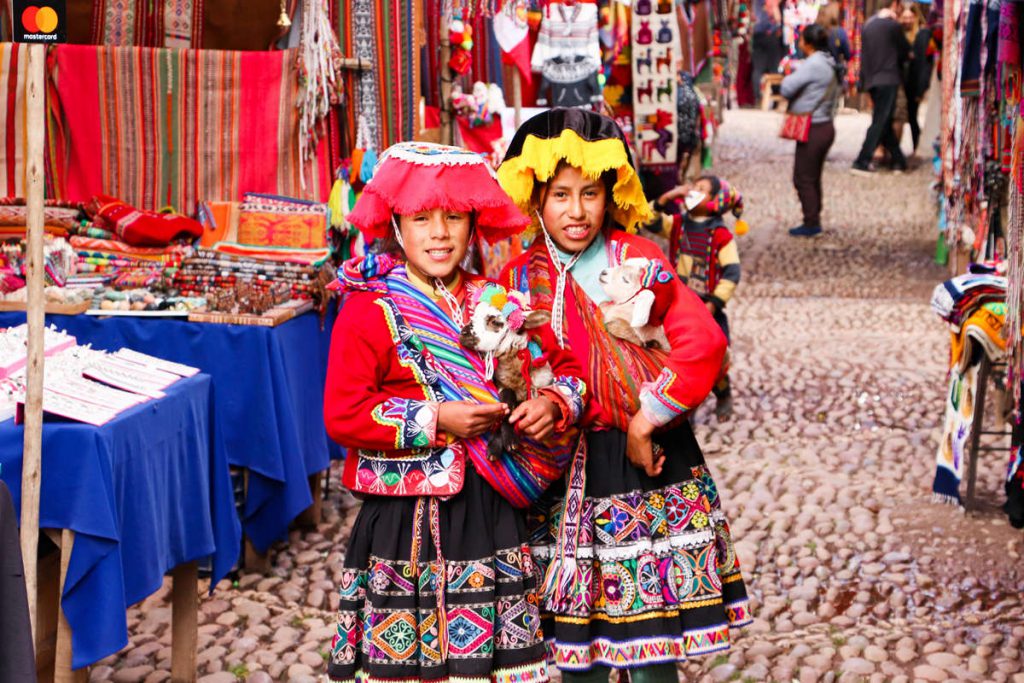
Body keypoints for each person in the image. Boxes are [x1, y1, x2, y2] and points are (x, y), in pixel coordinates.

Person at [497, 108, 752, 682]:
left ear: (612, 194)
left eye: (590, 193)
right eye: (560, 194)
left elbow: (704, 344)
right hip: (554, 474)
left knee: (649, 646)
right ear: (535, 196)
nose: (577, 210)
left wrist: (644, 421)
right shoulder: (515, 281)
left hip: (639, 466)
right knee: (570, 651)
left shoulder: (636, 262)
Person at [323, 141, 590, 683]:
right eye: (422, 219)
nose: (439, 234)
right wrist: (434, 418)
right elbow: (343, 412)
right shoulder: (369, 310)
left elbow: (565, 371)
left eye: (453, 218)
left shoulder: (499, 302)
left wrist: (552, 403)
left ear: (475, 222)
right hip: (406, 521)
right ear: (396, 225)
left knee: (493, 666)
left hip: (493, 510)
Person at [643, 175, 745, 421]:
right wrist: (666, 198)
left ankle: (723, 394)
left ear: (715, 201)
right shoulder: (678, 224)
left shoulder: (721, 236)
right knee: (678, 354)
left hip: (707, 307)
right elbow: (648, 219)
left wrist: (714, 303)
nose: (693, 191)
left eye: (701, 189)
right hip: (679, 306)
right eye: (693, 186)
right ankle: (682, 404)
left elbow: (732, 272)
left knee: (715, 358)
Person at [780, 23, 841, 237]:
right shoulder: (828, 61)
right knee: (812, 176)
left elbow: (787, 87)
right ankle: (813, 218)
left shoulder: (814, 63)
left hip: (813, 126)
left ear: (807, 42)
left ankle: (811, 222)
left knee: (803, 177)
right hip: (824, 125)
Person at [851, 0, 911, 175]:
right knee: (880, 120)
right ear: (895, 4)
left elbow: (864, 56)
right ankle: (861, 160)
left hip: (872, 80)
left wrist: (863, 82)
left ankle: (898, 160)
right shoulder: (892, 26)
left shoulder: (868, 25)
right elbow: (905, 51)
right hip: (888, 78)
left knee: (883, 120)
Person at [901, 2, 933, 155]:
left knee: (912, 117)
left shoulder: (923, 35)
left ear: (915, 17)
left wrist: (921, 88)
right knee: (904, 117)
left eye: (910, 17)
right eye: (904, 17)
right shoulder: (901, 34)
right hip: (902, 83)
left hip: (914, 85)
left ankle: (916, 147)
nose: (907, 20)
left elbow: (924, 64)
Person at [751, 0, 786, 107]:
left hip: (757, 35)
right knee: (774, 67)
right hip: (770, 35)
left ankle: (757, 98)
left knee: (758, 68)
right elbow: (777, 17)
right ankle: (776, 99)